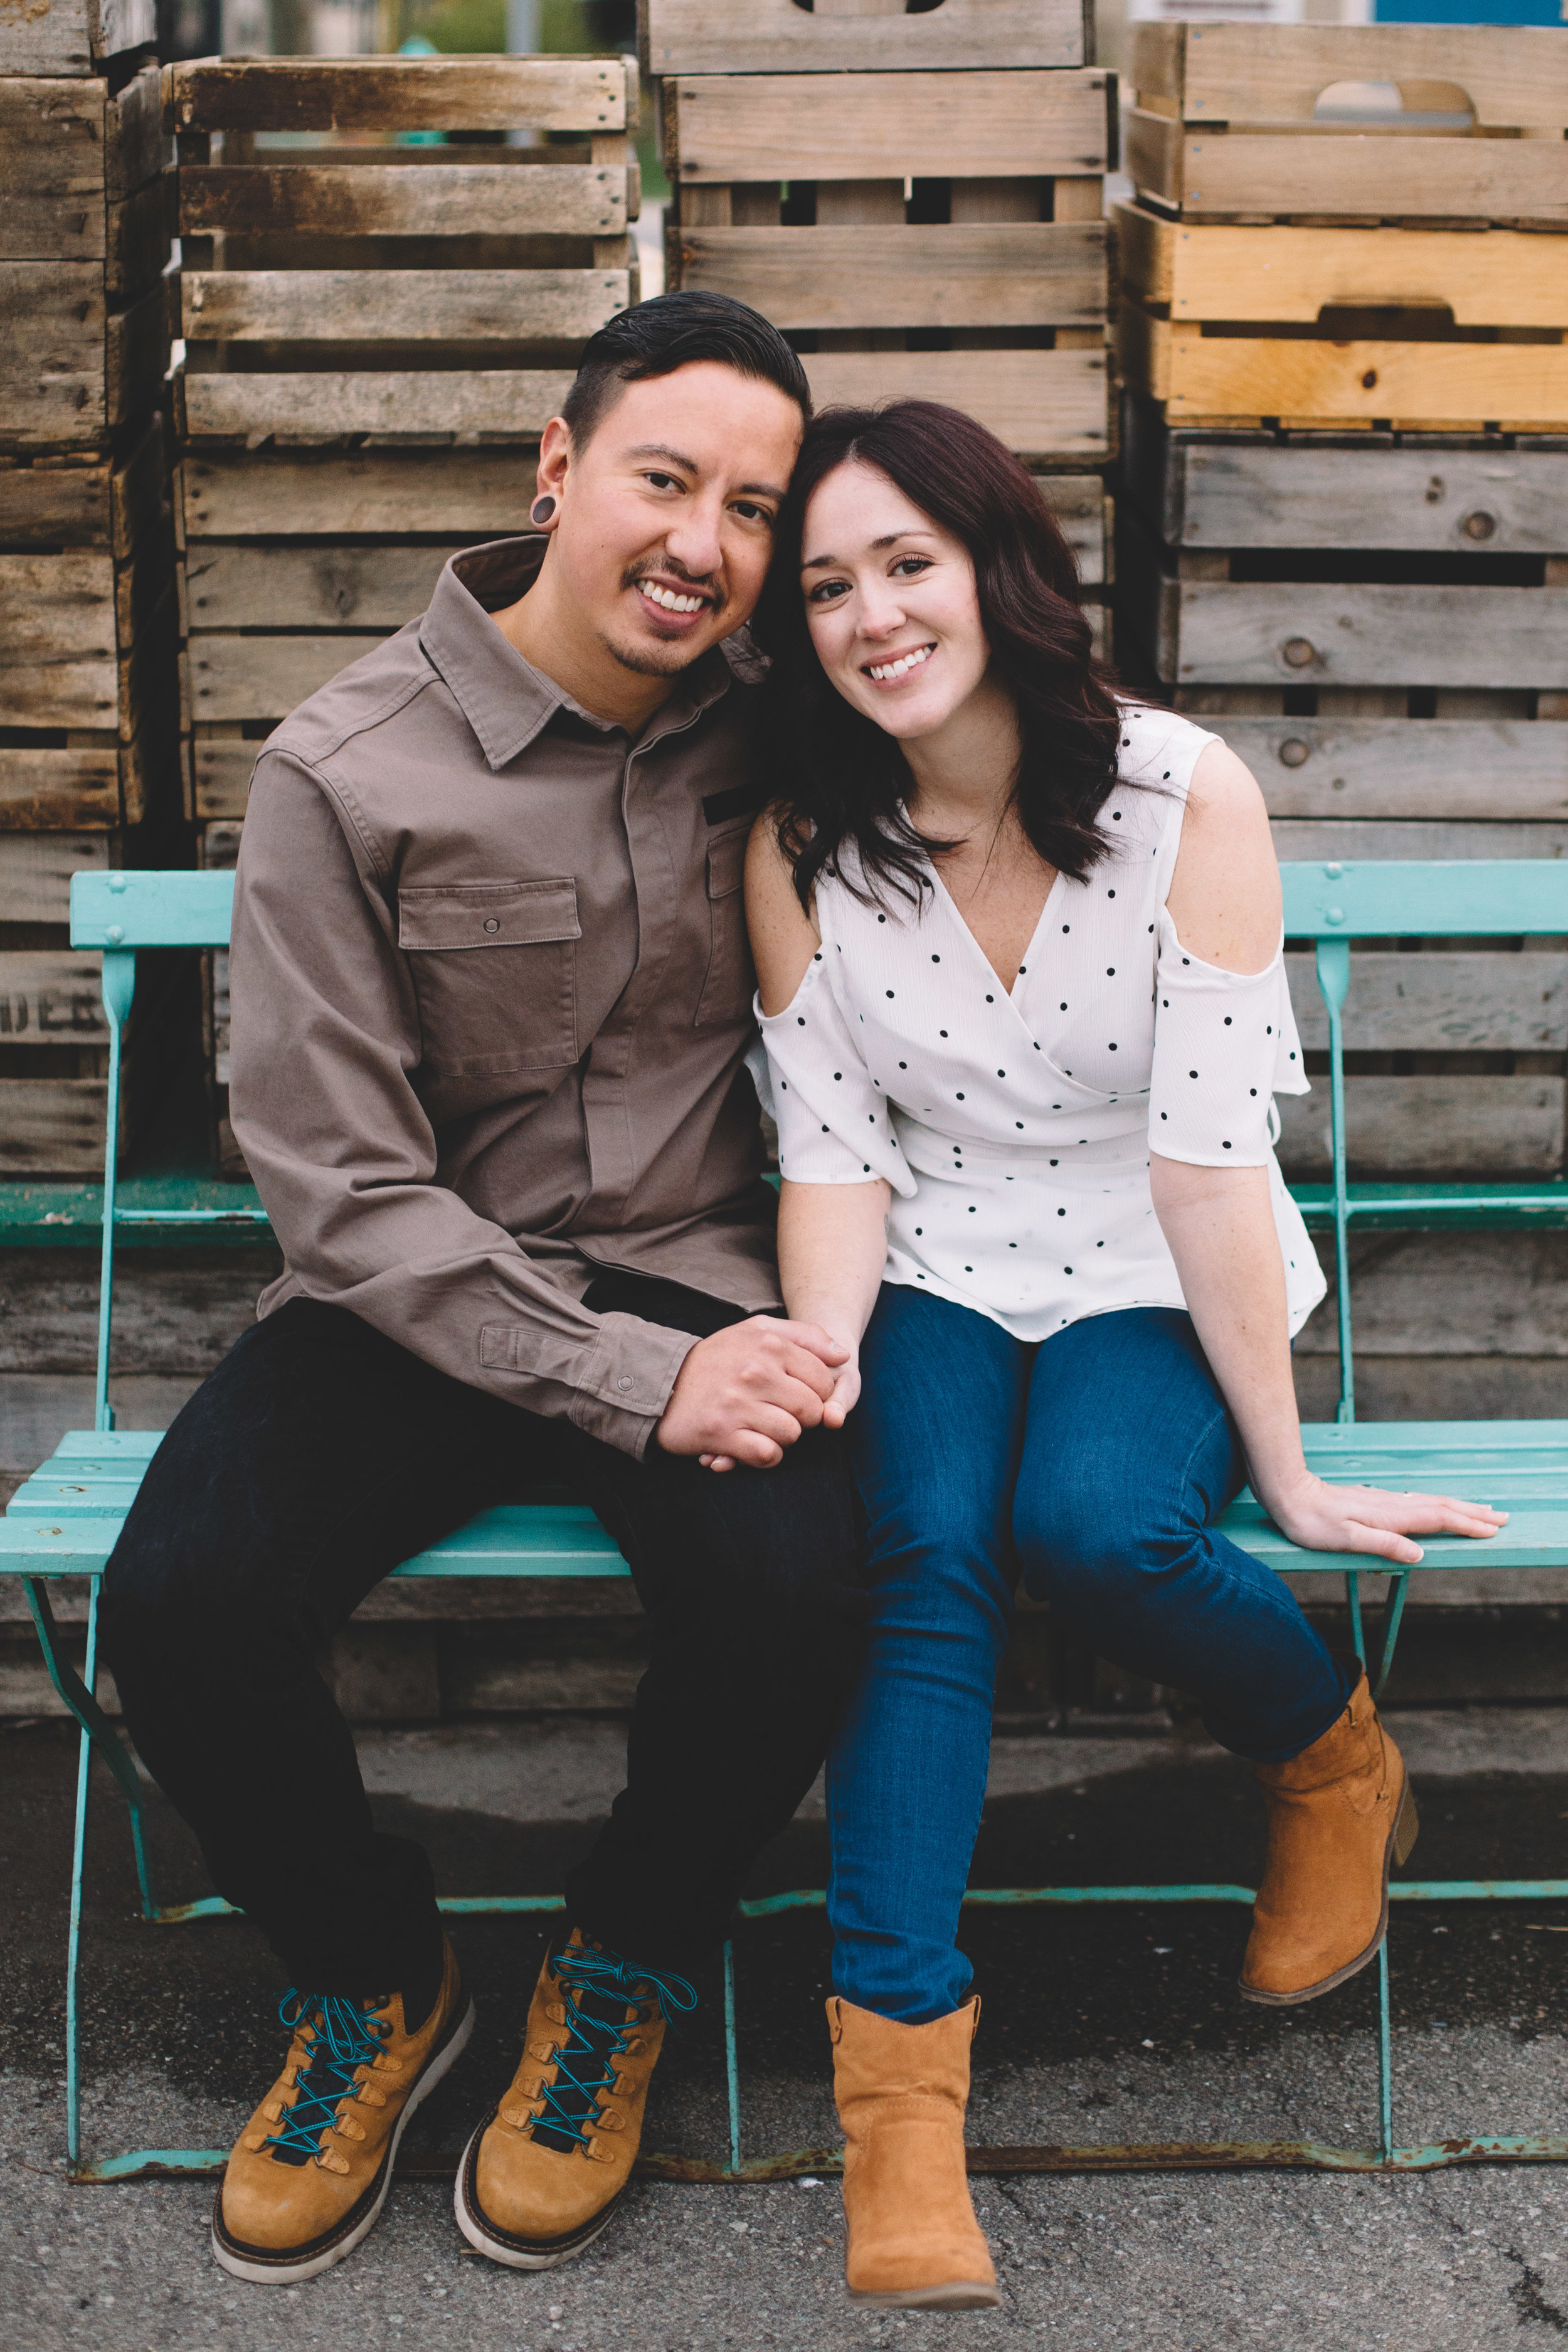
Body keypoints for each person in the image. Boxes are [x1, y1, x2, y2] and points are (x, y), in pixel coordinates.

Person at [98, 293, 868, 2288]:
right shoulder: (345, 774)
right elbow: (345, 1192)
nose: (703, 543)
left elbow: (1011, 724)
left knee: (799, 1582)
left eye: (754, 508)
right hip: (419, 1291)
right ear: (556, 465)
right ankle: (370, 1979)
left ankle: (619, 1966)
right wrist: (630, 1387)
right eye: (664, 479)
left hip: (701, 1266)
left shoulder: (787, 718)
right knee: (180, 1608)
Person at [743, 400, 1507, 2312]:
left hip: (1157, 1250)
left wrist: (1290, 1467)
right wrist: (824, 1364)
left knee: (1096, 1527)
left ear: (995, 565)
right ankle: (900, 2113)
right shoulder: (799, 837)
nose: (870, 614)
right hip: (928, 1256)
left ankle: (1329, 1761)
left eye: (904, 562)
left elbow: (1204, 1160)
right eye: (825, 584)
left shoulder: (1179, 794)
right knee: (915, 1554)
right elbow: (833, 1153)